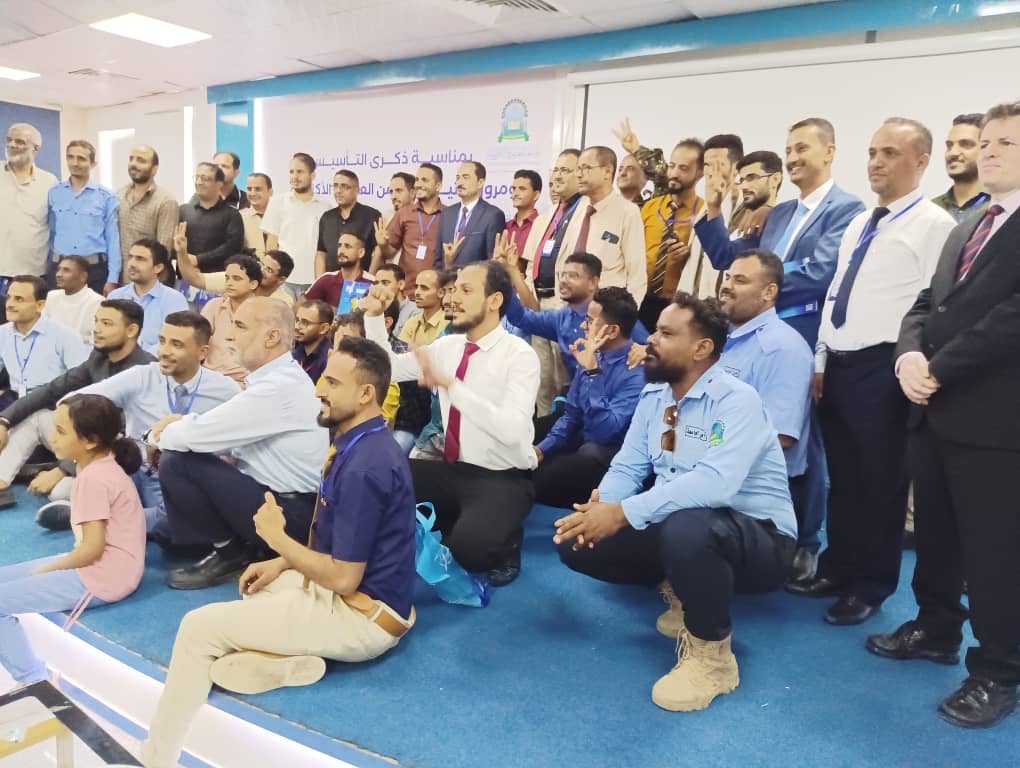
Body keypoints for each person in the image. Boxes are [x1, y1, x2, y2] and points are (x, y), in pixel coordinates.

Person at [139, 336, 415, 768]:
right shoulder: (361, 441)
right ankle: (289, 661)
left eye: (333, 383)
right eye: (323, 378)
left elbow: (344, 578)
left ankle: (155, 759)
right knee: (260, 586)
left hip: (361, 616)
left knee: (197, 629)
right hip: (364, 599)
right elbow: (341, 541)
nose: (319, 389)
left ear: (366, 394)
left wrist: (277, 538)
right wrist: (282, 561)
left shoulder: (365, 464)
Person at [554, 293, 796, 712]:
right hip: (688, 525)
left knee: (690, 526)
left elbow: (716, 486)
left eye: (666, 333)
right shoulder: (655, 396)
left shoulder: (736, 400)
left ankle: (713, 660)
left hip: (761, 539)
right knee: (577, 542)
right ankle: (684, 591)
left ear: (701, 348)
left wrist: (623, 513)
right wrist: (603, 508)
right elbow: (628, 466)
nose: (650, 340)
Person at [867, 102, 1020, 729]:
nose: (990, 151)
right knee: (936, 537)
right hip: (933, 413)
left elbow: (1011, 319)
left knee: (994, 553)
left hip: (995, 422)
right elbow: (928, 302)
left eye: (1007, 142)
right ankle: (935, 628)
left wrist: (939, 366)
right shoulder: (970, 223)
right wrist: (908, 355)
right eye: (987, 141)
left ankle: (998, 672)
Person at [789, 118, 955, 625]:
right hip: (839, 364)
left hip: (885, 367)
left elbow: (935, 306)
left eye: (890, 153)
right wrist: (821, 359)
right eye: (872, 153)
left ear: (921, 161)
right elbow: (835, 294)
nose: (876, 163)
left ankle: (870, 586)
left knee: (881, 483)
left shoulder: (934, 225)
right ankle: (838, 569)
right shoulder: (862, 221)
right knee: (844, 479)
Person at [696, 118, 866, 589]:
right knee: (744, 425)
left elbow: (821, 272)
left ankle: (805, 542)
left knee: (803, 444)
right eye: (788, 150)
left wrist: (763, 277)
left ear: (830, 151)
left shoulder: (847, 208)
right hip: (753, 333)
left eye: (802, 149)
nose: (792, 158)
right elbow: (727, 259)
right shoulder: (781, 212)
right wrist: (713, 210)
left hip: (805, 338)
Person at [361, 262, 539, 585]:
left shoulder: (519, 355)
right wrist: (374, 317)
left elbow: (512, 430)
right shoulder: (449, 346)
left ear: (495, 300)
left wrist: (452, 387)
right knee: (378, 475)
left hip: (503, 475)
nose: (453, 298)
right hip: (453, 468)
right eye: (454, 289)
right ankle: (459, 518)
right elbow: (389, 368)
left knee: (469, 552)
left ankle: (508, 538)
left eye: (466, 290)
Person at [149, 298, 327, 589]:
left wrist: (155, 434)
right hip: (277, 498)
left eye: (241, 327)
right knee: (165, 533)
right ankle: (247, 545)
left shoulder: (278, 387)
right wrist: (181, 427)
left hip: (291, 513)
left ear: (272, 337)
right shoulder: (276, 378)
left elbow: (190, 437)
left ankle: (231, 554)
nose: (230, 335)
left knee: (175, 460)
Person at [0, 395, 145, 687]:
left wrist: (47, 570)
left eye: (61, 431)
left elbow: (92, 550)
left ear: (90, 441)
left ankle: (35, 681)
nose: (52, 438)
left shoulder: (94, 478)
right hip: (104, 565)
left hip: (103, 578)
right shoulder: (97, 465)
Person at [65, 312, 240, 535]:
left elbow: (239, 444)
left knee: (173, 521)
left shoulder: (226, 390)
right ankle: (101, 516)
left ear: (202, 352)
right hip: (134, 467)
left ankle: (95, 519)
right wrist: (102, 444)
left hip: (183, 476)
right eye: (162, 341)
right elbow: (71, 403)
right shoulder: (141, 376)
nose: (164, 351)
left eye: (176, 344)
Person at [0, 299, 151, 512]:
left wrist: (62, 469)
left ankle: (95, 505)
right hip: (84, 441)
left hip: (119, 452)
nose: (96, 329)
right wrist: (4, 420)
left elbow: (114, 435)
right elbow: (50, 390)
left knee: (59, 492)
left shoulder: (145, 370)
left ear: (131, 330)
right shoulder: (98, 358)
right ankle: (1, 482)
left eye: (106, 323)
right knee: (37, 417)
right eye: (96, 321)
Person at [717, 250, 814, 578]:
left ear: (769, 292)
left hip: (753, 495)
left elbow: (780, 437)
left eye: (740, 280)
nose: (726, 286)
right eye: (727, 277)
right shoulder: (726, 339)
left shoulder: (783, 348)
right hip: (719, 472)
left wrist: (700, 450)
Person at [533, 287, 645, 507]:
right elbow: (571, 415)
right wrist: (542, 448)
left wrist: (593, 373)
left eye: (590, 321)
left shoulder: (637, 372)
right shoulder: (595, 355)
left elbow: (605, 432)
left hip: (608, 454)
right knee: (526, 448)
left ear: (612, 331)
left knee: (547, 476)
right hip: (583, 436)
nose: (583, 326)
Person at [518, 149, 582, 415]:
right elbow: (529, 264)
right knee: (542, 380)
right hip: (538, 303)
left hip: (564, 304)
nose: (557, 176)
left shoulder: (586, 212)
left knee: (564, 381)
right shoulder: (547, 216)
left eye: (565, 170)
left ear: (581, 175)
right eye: (555, 170)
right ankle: (544, 429)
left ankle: (563, 429)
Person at [559, 146, 647, 305]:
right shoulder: (578, 209)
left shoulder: (628, 212)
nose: (578, 174)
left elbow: (637, 275)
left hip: (604, 310)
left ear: (607, 172)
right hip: (569, 307)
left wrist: (625, 314)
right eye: (578, 169)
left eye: (585, 168)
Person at [639, 139, 705, 330]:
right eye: (672, 166)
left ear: (700, 173)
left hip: (677, 306)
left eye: (683, 168)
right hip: (639, 299)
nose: (674, 173)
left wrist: (688, 256)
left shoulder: (704, 213)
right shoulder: (650, 207)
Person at [0, 276, 89, 410]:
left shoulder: (65, 336)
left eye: (19, 299)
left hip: (51, 404)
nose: (9, 304)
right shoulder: (2, 333)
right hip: (13, 400)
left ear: (40, 305)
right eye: (8, 297)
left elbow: (81, 381)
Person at [47, 140, 120, 295]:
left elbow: (113, 239)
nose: (75, 163)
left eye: (81, 158)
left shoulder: (106, 196)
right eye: (70, 157)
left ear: (93, 163)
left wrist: (113, 278)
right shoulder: (54, 192)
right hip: (60, 268)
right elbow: (51, 232)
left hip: (94, 271)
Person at [392, 269, 448, 453]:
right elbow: (399, 355)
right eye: (416, 286)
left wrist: (414, 352)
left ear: (441, 293)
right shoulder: (413, 321)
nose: (417, 292)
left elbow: (428, 365)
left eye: (424, 288)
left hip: (428, 407)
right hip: (406, 401)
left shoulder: (447, 325)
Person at [263, 153, 332, 298]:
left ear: (312, 175)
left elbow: (326, 249)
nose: (294, 176)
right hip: (284, 280)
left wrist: (321, 280)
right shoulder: (277, 202)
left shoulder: (325, 206)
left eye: (300, 172)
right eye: (291, 172)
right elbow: (271, 244)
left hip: (314, 280)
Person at [108, 239, 189, 354]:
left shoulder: (173, 300)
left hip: (155, 362)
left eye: (140, 259)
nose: (131, 264)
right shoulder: (115, 297)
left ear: (158, 268)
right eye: (130, 257)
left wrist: (136, 358)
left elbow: (176, 342)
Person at [376, 163, 444, 298]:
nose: (419, 184)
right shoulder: (404, 213)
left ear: (438, 186)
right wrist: (383, 244)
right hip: (405, 293)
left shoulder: (449, 215)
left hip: (435, 294)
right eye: (417, 180)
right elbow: (389, 252)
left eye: (424, 180)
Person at [1, 123, 58, 285]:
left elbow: (56, 227)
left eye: (20, 142)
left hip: (33, 273)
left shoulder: (49, 181)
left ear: (36, 148)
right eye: (9, 140)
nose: (12, 145)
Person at [117, 146, 179, 281]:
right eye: (131, 159)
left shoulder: (166, 200)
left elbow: (163, 251)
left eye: (141, 160)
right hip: (121, 279)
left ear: (154, 168)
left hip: (150, 281)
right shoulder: (118, 195)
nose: (134, 163)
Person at [200, 254, 261, 384]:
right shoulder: (214, 306)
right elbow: (196, 340)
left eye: (236, 279)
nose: (229, 283)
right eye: (227, 278)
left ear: (253, 284)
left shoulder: (262, 313)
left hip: (243, 383)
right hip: (207, 378)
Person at [176, 163, 244, 274]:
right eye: (196, 177)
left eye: (204, 178)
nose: (198, 182)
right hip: (185, 275)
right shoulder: (183, 210)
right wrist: (184, 258)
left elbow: (232, 248)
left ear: (219, 184)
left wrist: (198, 260)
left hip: (217, 277)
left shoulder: (232, 214)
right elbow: (174, 242)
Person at [436, 162, 506, 269]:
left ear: (480, 183)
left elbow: (493, 263)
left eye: (466, 177)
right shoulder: (447, 213)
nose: (459, 183)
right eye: (458, 178)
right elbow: (438, 260)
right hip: (447, 278)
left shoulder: (493, 215)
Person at [178, 245, 294, 307]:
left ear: (281, 280)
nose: (261, 270)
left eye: (268, 270)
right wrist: (181, 252)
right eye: (262, 264)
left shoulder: (283, 302)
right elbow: (194, 278)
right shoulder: (236, 277)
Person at [317, 169, 382, 275]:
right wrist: (320, 281)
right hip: (331, 281)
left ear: (357, 190)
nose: (338, 191)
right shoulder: (327, 218)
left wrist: (369, 279)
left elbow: (378, 251)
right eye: (335, 186)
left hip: (360, 282)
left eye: (344, 186)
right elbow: (321, 253)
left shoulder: (371, 215)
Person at [931, 113, 990, 222]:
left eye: (965, 144)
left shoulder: (1003, 206)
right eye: (949, 146)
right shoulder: (931, 209)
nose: (952, 153)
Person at [304, 233, 376, 310]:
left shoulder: (372, 283)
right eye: (339, 246)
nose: (341, 251)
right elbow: (301, 307)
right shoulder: (326, 279)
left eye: (347, 246)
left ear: (361, 253)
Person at [43, 256, 104, 344]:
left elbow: (94, 339)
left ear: (83, 276)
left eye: (66, 270)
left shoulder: (96, 302)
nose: (58, 274)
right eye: (58, 270)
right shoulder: (52, 296)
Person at [611, 118, 669, 198]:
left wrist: (636, 150)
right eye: (620, 169)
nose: (622, 173)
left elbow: (667, 179)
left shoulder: (657, 203)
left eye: (631, 169)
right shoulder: (606, 204)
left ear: (646, 177)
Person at [731, 150, 783, 235]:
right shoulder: (737, 212)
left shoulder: (782, 223)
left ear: (775, 179)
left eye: (752, 178)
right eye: (742, 180)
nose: (743, 186)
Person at [293, 299, 333, 383]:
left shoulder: (329, 360)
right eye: (297, 320)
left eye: (305, 323)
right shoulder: (296, 349)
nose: (297, 326)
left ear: (323, 328)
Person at [375, 263, 419, 337]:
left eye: (385, 283)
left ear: (401, 284)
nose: (379, 287)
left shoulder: (415, 311)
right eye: (377, 283)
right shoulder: (374, 308)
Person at [505, 170, 542, 258]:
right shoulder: (505, 226)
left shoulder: (543, 226)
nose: (515, 194)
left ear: (536, 195)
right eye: (514, 189)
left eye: (522, 189)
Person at [240, 173, 272, 257]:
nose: (253, 193)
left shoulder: (282, 216)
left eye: (258, 189)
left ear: (270, 192)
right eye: (249, 189)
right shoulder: (239, 217)